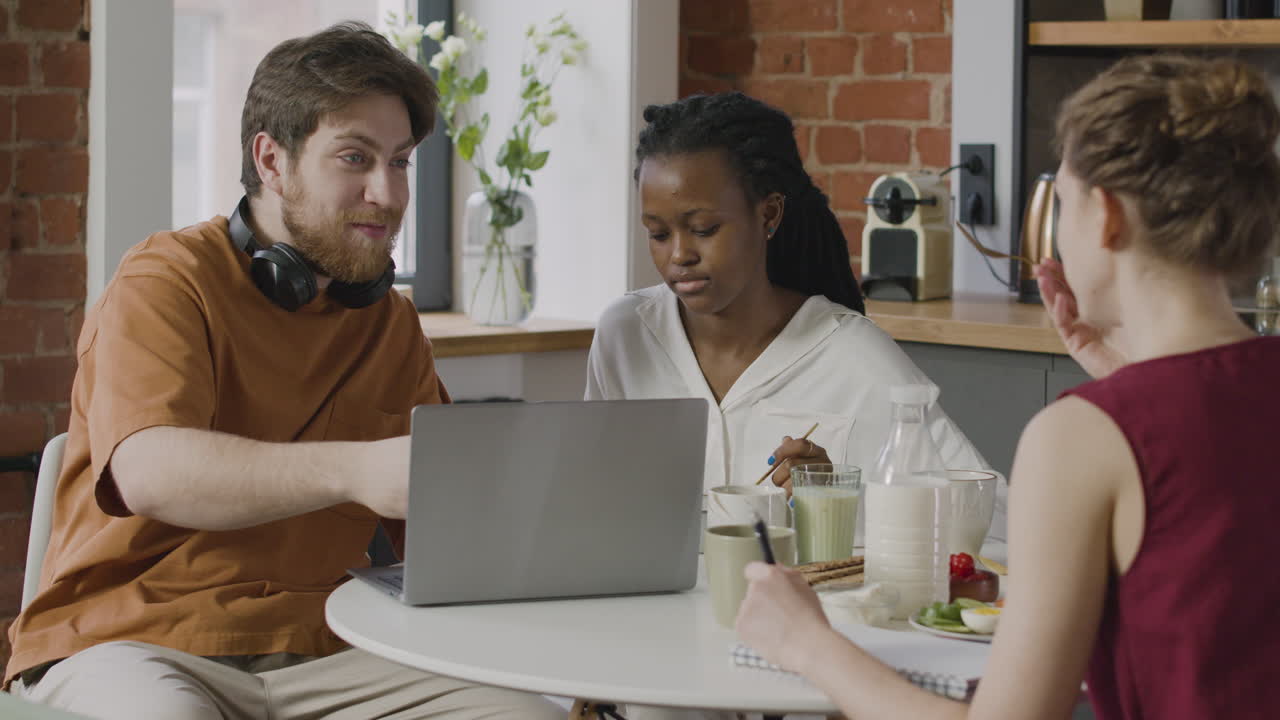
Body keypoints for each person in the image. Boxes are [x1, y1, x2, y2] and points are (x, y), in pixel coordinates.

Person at [4, 22, 561, 720]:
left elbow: (443, 533)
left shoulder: (389, 322)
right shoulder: (165, 280)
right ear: (272, 159)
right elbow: (151, 471)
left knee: (529, 714)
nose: (387, 194)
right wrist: (358, 471)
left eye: (400, 162)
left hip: (336, 647)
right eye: (355, 159)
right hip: (134, 639)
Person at [736, 54, 1280, 720]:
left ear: (1105, 216)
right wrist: (1132, 381)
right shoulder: (1133, 421)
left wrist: (807, 644)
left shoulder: (1086, 437)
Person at [586, 91, 985, 504]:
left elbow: (989, 515)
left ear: (768, 215)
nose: (679, 255)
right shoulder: (626, 335)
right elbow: (593, 496)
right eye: (658, 234)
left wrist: (841, 502)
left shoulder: (852, 355)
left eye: (704, 228)